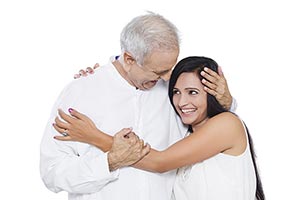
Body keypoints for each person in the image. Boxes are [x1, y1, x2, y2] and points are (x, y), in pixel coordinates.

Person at [40, 12, 235, 200]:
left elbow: (210, 132)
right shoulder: (81, 92)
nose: (168, 78)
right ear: (128, 59)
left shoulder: (176, 92)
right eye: (159, 71)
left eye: (171, 67)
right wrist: (108, 162)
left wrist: (226, 102)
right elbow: (52, 173)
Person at [54, 56, 264, 200]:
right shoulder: (186, 134)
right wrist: (106, 77)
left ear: (212, 92)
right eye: (175, 92)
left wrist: (94, 136)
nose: (182, 102)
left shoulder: (227, 124)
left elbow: (160, 162)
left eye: (192, 92)